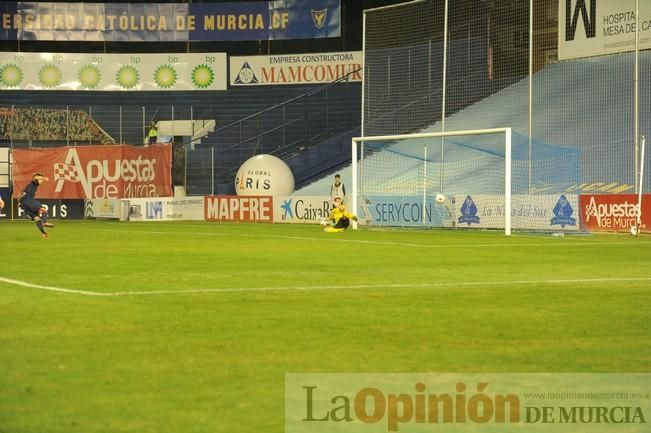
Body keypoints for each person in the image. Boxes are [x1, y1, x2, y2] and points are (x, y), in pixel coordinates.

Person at [18, 173, 53, 238]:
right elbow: (35, 177)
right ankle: (45, 222)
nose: (41, 181)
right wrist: (44, 178)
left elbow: (19, 196)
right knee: (43, 210)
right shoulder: (34, 182)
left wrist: (20, 201)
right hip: (28, 200)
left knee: (37, 218)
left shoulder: (30, 185)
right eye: (40, 179)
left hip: (23, 204)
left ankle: (44, 233)